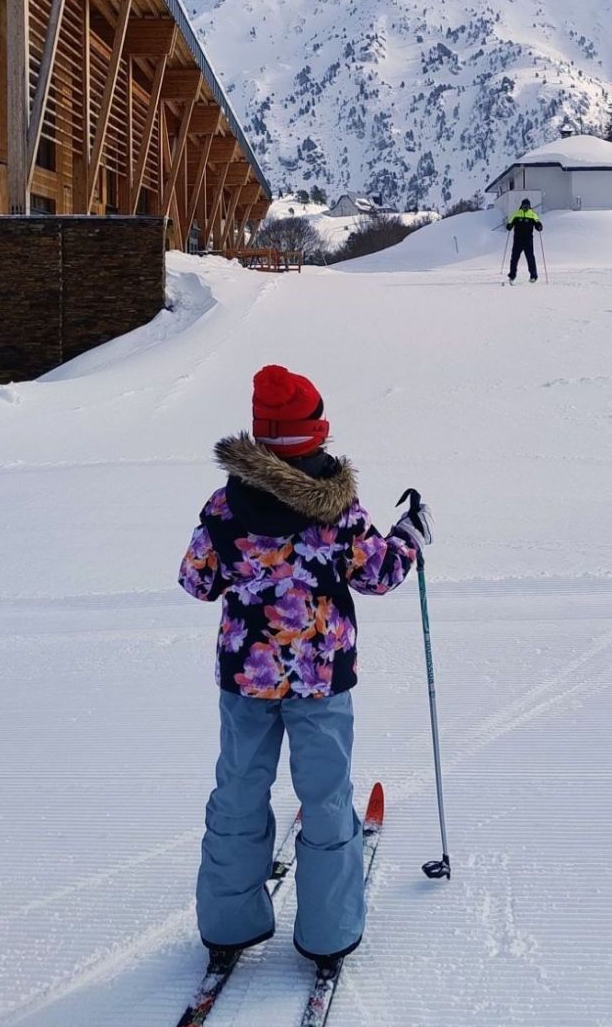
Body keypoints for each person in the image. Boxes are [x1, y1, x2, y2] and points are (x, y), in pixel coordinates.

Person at [178, 364, 433, 971]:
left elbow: (196, 580)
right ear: (315, 432)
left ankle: (228, 922)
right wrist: (411, 538)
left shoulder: (224, 506)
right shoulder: (338, 513)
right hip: (321, 680)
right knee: (324, 797)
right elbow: (379, 574)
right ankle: (328, 933)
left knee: (239, 790)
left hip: (246, 679)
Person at [506, 197, 543, 282]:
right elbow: (509, 223)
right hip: (518, 240)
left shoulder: (533, 215)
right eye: (524, 205)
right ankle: (512, 275)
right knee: (514, 258)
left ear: (529, 206)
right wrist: (509, 226)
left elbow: (538, 224)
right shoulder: (516, 214)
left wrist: (539, 227)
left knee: (530, 258)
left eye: (527, 206)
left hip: (528, 240)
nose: (525, 207)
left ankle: (533, 276)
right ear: (521, 206)